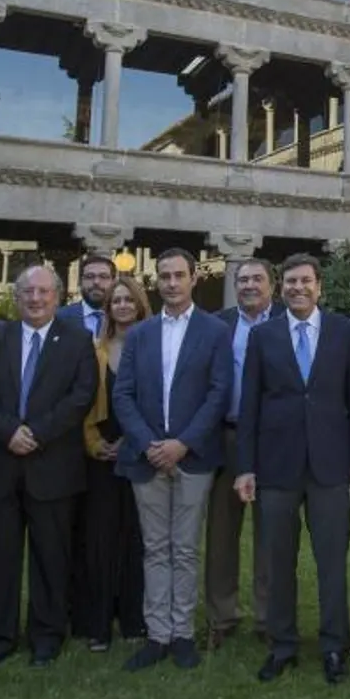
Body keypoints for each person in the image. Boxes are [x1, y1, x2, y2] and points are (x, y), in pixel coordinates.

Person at [235, 253, 350, 685]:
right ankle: (283, 644)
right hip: (276, 466)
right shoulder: (264, 335)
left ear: (318, 286)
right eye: (289, 282)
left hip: (329, 466)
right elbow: (250, 405)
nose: (297, 288)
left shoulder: (344, 332)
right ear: (281, 287)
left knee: (331, 561)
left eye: (305, 281)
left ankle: (334, 646)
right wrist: (246, 467)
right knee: (278, 560)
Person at [0, 264, 98, 669]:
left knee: (50, 557)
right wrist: (9, 433)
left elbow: (81, 395)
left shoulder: (77, 340)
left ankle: (47, 635)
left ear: (57, 296)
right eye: (27, 292)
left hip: (51, 465)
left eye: (43, 292)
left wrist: (35, 432)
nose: (35, 299)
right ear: (17, 297)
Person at [114, 249, 232, 672]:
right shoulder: (141, 334)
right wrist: (149, 443)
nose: (171, 283)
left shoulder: (215, 331)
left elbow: (219, 393)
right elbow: (123, 394)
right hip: (147, 457)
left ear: (193, 278)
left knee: (184, 549)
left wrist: (182, 443)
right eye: (164, 276)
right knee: (154, 548)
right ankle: (157, 634)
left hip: (193, 457)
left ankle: (182, 633)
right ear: (156, 281)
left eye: (179, 275)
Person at [207, 256, 283, 647]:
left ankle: (269, 618)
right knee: (221, 531)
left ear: (272, 283)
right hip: (227, 437)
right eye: (242, 279)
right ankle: (222, 615)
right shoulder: (218, 324)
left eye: (257, 278)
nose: (249, 285)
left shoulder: (288, 321)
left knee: (270, 531)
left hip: (273, 441)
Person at [76, 275, 149, 653]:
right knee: (101, 539)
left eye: (128, 300)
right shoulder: (94, 350)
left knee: (136, 538)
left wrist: (133, 441)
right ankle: (98, 622)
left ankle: (135, 618)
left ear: (139, 305)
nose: (122, 306)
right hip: (101, 454)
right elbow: (83, 402)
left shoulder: (152, 347)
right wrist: (94, 444)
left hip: (139, 452)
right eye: (115, 301)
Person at [62, 254, 118, 339]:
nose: (96, 282)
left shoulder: (125, 319)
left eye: (103, 277)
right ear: (80, 282)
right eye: (89, 277)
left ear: (113, 282)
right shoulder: (60, 318)